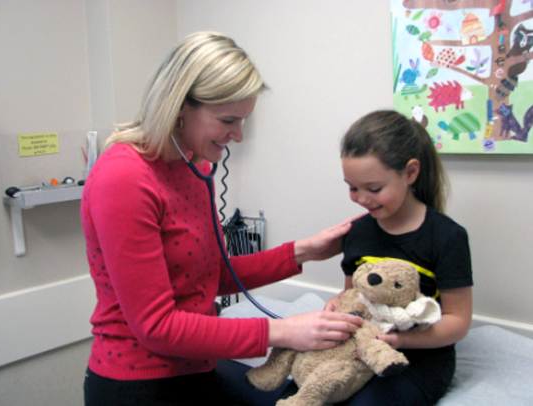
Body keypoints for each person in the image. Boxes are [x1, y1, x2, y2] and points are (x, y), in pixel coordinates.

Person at [81, 31, 363, 406]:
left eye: (244, 120)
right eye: (229, 119)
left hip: (195, 371)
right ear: (180, 106)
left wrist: (301, 253)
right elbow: (156, 327)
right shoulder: (124, 178)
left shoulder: (194, 166)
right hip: (137, 384)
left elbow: (207, 277)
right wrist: (282, 331)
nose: (239, 136)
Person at [324, 110, 473, 406]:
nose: (362, 199)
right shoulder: (357, 231)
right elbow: (353, 292)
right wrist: (338, 304)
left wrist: (402, 340)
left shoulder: (447, 237)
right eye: (352, 188)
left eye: (374, 189)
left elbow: (458, 321)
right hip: (363, 348)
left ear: (410, 173)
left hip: (421, 357)